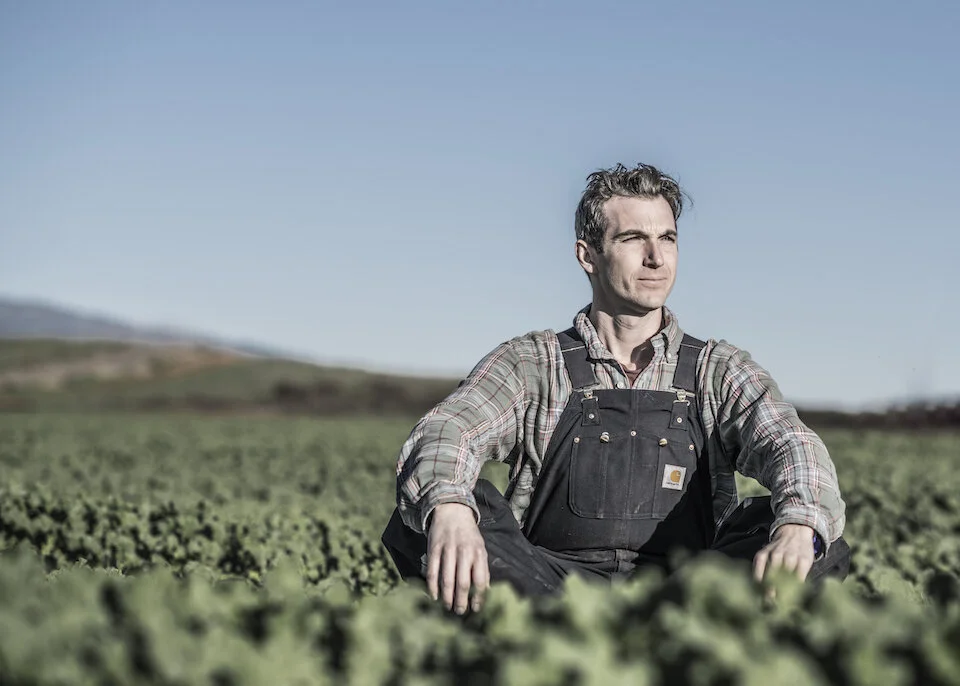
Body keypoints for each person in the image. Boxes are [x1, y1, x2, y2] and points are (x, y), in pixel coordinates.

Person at [382, 163, 850, 615]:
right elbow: (451, 427)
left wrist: (798, 524)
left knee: (813, 543)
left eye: (668, 238)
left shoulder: (717, 369)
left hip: (688, 598)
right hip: (548, 591)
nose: (657, 257)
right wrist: (448, 506)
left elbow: (788, 440)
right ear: (588, 255)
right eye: (633, 239)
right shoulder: (533, 362)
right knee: (431, 521)